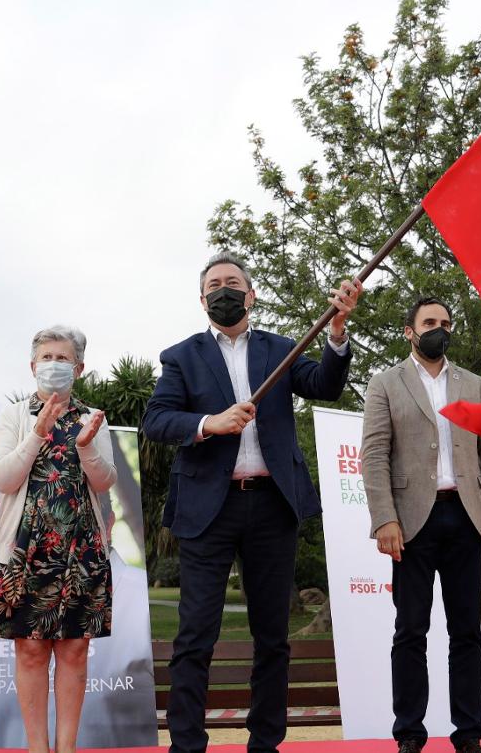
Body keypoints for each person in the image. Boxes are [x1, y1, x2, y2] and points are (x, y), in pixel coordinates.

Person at [142, 251, 360, 753]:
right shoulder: (182, 356)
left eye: (232, 282)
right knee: (195, 635)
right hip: (207, 511)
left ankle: (265, 743)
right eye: (214, 284)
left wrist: (337, 332)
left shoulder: (282, 349)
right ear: (202, 300)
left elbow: (324, 385)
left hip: (271, 507)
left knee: (272, 637)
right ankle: (187, 745)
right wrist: (208, 423)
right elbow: (157, 419)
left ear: (251, 293)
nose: (224, 290)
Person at [361, 296, 481, 753]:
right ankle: (409, 734)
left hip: (466, 517)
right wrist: (384, 519)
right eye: (430, 322)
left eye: (446, 322)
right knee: (411, 630)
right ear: (410, 331)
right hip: (411, 521)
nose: (440, 328)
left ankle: (469, 733)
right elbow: (374, 455)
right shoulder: (385, 383)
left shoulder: (473, 384)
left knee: (466, 633)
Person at [0, 326, 117, 753]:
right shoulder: (14, 415)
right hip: (26, 551)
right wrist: (37, 432)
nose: (54, 365)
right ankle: (37, 748)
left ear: (79, 367)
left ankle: (67, 748)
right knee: (31, 652)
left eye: (63, 358)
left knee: (75, 650)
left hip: (82, 550)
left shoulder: (93, 417)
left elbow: (105, 482)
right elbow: (4, 478)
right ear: (32, 365)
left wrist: (86, 448)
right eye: (46, 357)